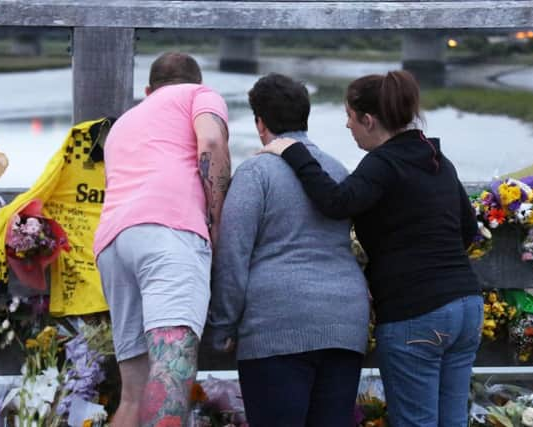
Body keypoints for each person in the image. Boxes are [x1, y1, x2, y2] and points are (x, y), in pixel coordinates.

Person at [261, 70, 482, 427]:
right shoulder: (437, 161)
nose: (348, 127)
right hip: (466, 308)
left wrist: (293, 150)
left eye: (350, 118)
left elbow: (336, 201)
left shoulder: (383, 163)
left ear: (369, 119)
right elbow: (468, 229)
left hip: (416, 314)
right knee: (453, 421)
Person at [208, 73, 370, 427]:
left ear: (260, 122)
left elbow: (233, 257)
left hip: (276, 326)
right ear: (304, 116)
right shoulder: (337, 170)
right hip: (344, 323)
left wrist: (222, 328)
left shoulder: (256, 173)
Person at [93, 52, 230, 427]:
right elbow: (212, 143)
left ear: (149, 90)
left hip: (112, 244)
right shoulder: (199, 94)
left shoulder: (124, 124)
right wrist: (216, 223)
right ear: (195, 80)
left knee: (133, 394)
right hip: (168, 233)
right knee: (172, 365)